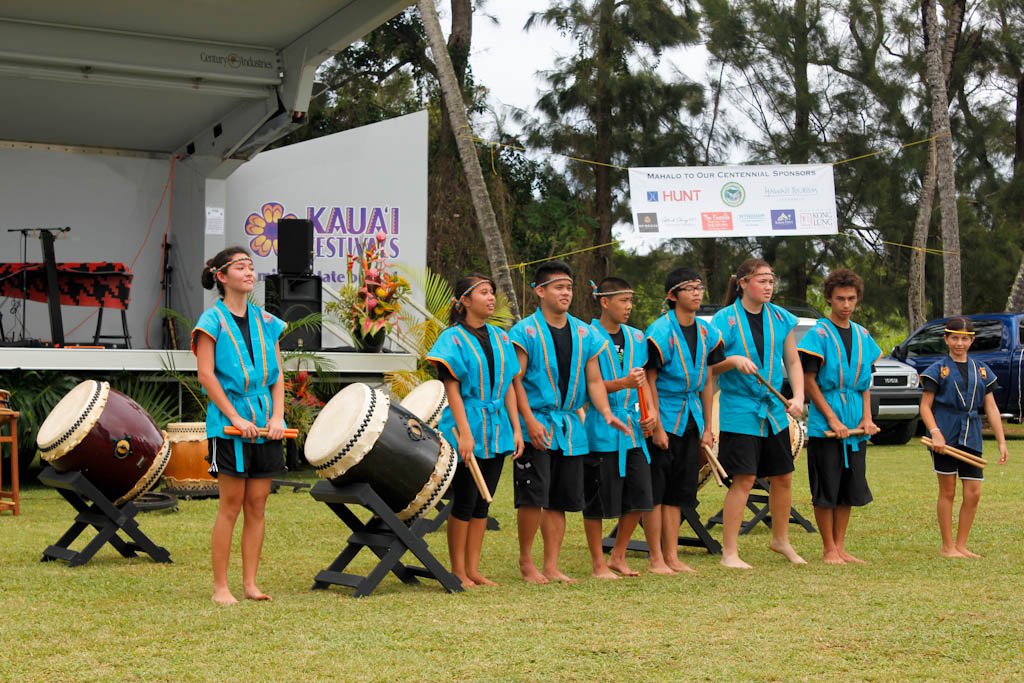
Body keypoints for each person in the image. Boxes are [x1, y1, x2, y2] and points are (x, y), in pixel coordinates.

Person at [509, 260, 629, 583]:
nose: (566, 293)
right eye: (558, 287)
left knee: (559, 500)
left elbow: (594, 380)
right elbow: (515, 379)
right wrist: (528, 421)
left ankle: (551, 565)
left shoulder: (584, 332)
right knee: (534, 496)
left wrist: (606, 413)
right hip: (538, 423)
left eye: (569, 288)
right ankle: (526, 561)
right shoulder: (525, 331)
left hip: (570, 428)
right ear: (540, 291)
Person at [192, 247, 288, 604]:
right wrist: (234, 416)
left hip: (265, 421)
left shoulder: (267, 321)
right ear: (221, 276)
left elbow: (277, 377)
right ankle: (221, 587)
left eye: (251, 266)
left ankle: (250, 584)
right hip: (228, 425)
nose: (249, 273)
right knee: (231, 505)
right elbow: (206, 375)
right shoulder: (211, 321)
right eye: (240, 267)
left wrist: (277, 417)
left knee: (258, 504)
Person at [427, 273, 523, 587]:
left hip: (497, 428)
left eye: (492, 292)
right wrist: (465, 434)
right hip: (466, 424)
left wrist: (517, 428)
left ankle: (473, 568)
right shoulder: (452, 338)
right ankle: (458, 570)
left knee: (484, 499)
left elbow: (510, 386)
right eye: (483, 292)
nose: (491, 297)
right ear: (465, 300)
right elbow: (452, 389)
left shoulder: (501, 338)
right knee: (466, 499)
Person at [710, 258, 806, 569]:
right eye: (762, 281)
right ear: (742, 283)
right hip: (739, 408)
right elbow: (710, 366)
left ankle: (781, 540)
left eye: (771, 281)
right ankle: (730, 552)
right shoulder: (724, 320)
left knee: (783, 476)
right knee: (744, 479)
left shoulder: (780, 317)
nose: (768, 287)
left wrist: (798, 396)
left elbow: (793, 361)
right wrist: (733, 360)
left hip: (773, 410)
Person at [797, 269, 882, 564]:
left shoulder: (862, 335)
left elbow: (865, 383)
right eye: (840, 299)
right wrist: (832, 419)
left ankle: (841, 546)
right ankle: (828, 549)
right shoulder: (817, 335)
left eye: (851, 299)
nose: (846, 305)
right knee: (827, 487)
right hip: (826, 420)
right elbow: (809, 381)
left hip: (855, 419)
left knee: (849, 487)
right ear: (829, 299)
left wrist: (866, 418)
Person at [644, 267, 725, 573]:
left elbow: (708, 380)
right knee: (657, 492)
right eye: (689, 288)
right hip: (665, 414)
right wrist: (657, 426)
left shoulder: (707, 332)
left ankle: (672, 555)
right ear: (672, 295)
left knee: (678, 493)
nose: (696, 293)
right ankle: (655, 558)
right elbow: (649, 380)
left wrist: (707, 427)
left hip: (691, 417)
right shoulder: (659, 331)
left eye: (699, 287)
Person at [582, 277, 658, 579]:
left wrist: (650, 412)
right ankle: (597, 563)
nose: (629, 306)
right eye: (623, 300)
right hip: (601, 428)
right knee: (597, 501)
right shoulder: (587, 336)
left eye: (631, 300)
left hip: (633, 430)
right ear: (604, 301)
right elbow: (588, 387)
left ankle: (618, 555)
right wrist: (622, 383)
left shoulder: (637, 337)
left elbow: (643, 381)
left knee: (641, 496)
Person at [919, 316, 1009, 558]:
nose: (959, 343)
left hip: (972, 433)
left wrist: (1001, 441)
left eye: (964, 339)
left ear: (972, 341)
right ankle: (948, 547)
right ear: (946, 339)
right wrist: (935, 433)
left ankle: (961, 545)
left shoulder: (982, 370)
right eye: (955, 338)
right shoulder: (937, 370)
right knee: (947, 491)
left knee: (973, 492)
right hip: (945, 432)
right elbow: (925, 407)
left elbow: (991, 407)